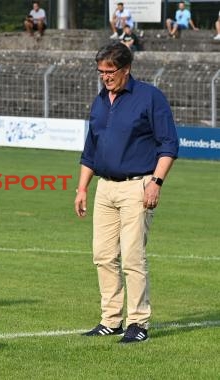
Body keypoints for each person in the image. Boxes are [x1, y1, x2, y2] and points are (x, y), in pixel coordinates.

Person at [75, 41, 179, 344]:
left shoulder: (149, 97)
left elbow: (169, 144)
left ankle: (138, 322)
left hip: (138, 186)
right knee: (103, 256)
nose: (105, 77)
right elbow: (90, 150)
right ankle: (110, 320)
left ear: (126, 69)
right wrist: (83, 188)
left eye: (110, 71)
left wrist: (155, 183)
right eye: (101, 72)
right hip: (104, 187)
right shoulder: (99, 101)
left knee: (133, 257)